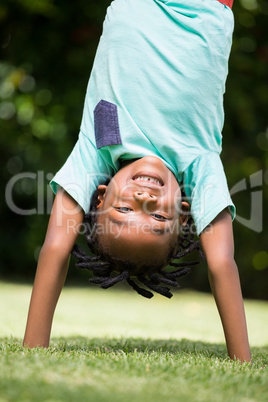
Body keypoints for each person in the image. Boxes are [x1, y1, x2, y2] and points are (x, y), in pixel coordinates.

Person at [23, 0, 251, 362]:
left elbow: (54, 248)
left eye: (125, 208)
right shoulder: (198, 164)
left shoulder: (98, 146)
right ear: (185, 213)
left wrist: (32, 350)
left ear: (98, 197)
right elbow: (222, 262)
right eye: (158, 219)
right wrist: (244, 362)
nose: (144, 198)